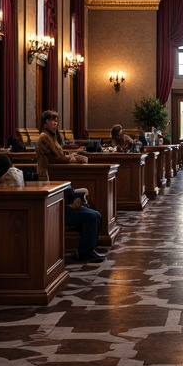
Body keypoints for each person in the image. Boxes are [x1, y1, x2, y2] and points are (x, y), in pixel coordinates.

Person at [37, 109, 106, 263]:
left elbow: (60, 155)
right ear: (45, 122)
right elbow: (55, 159)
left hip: (60, 185)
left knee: (96, 214)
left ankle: (88, 248)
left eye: (56, 120)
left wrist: (72, 157)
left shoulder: (52, 137)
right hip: (48, 179)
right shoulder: (44, 137)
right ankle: (86, 251)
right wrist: (72, 158)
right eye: (51, 120)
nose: (55, 123)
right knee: (93, 216)